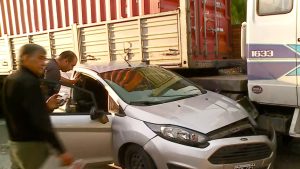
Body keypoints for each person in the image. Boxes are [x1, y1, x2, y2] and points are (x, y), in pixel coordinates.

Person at [1, 44, 73, 169]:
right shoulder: (30, 82)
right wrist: (61, 150)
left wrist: (45, 106)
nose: (43, 63)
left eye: (44, 58)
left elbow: (19, 112)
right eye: (40, 58)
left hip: (15, 145)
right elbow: (41, 120)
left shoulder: (12, 78)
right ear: (25, 58)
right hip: (32, 146)